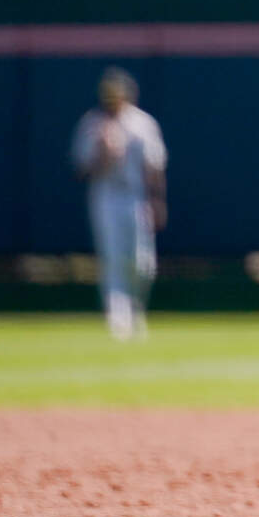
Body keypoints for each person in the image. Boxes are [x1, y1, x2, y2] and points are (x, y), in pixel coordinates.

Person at [69, 67, 166, 340]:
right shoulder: (93, 124)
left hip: (136, 196)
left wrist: (157, 200)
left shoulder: (142, 123)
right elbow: (80, 168)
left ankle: (136, 309)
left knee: (143, 263)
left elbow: (155, 165)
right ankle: (117, 317)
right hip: (106, 196)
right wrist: (103, 154)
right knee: (112, 258)